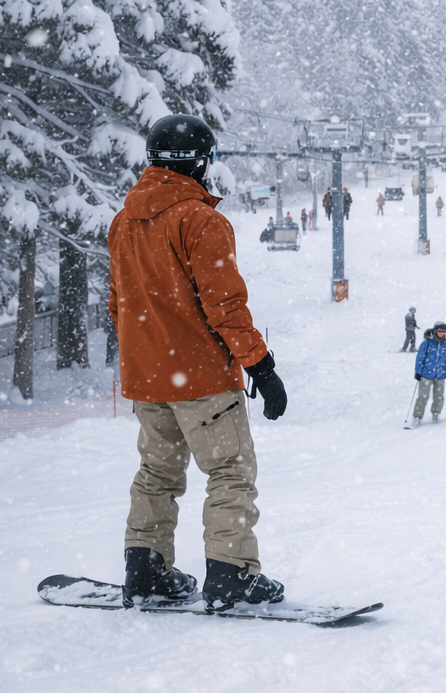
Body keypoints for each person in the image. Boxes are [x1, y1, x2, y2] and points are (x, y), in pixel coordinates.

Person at [109, 113, 288, 610]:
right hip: (203, 378)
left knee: (156, 474)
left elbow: (118, 304)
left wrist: (149, 352)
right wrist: (262, 368)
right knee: (229, 471)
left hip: (148, 379)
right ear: (200, 163)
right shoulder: (201, 221)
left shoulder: (123, 222)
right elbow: (225, 308)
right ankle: (232, 574)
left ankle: (146, 571)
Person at [412, 323, 446, 425]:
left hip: (440, 374)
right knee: (423, 396)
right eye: (440, 332)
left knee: (439, 396)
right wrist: (418, 372)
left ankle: (436, 414)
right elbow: (420, 358)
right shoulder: (427, 343)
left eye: (444, 332)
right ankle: (417, 417)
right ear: (435, 331)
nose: (442, 334)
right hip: (426, 374)